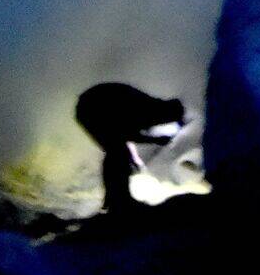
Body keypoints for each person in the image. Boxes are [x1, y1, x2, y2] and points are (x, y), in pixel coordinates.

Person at [74, 81, 188, 217]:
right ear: (167, 114)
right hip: (92, 108)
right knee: (117, 150)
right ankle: (118, 201)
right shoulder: (146, 109)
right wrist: (155, 140)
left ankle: (115, 199)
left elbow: (126, 131)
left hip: (93, 106)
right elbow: (126, 132)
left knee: (117, 149)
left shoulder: (149, 108)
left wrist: (151, 143)